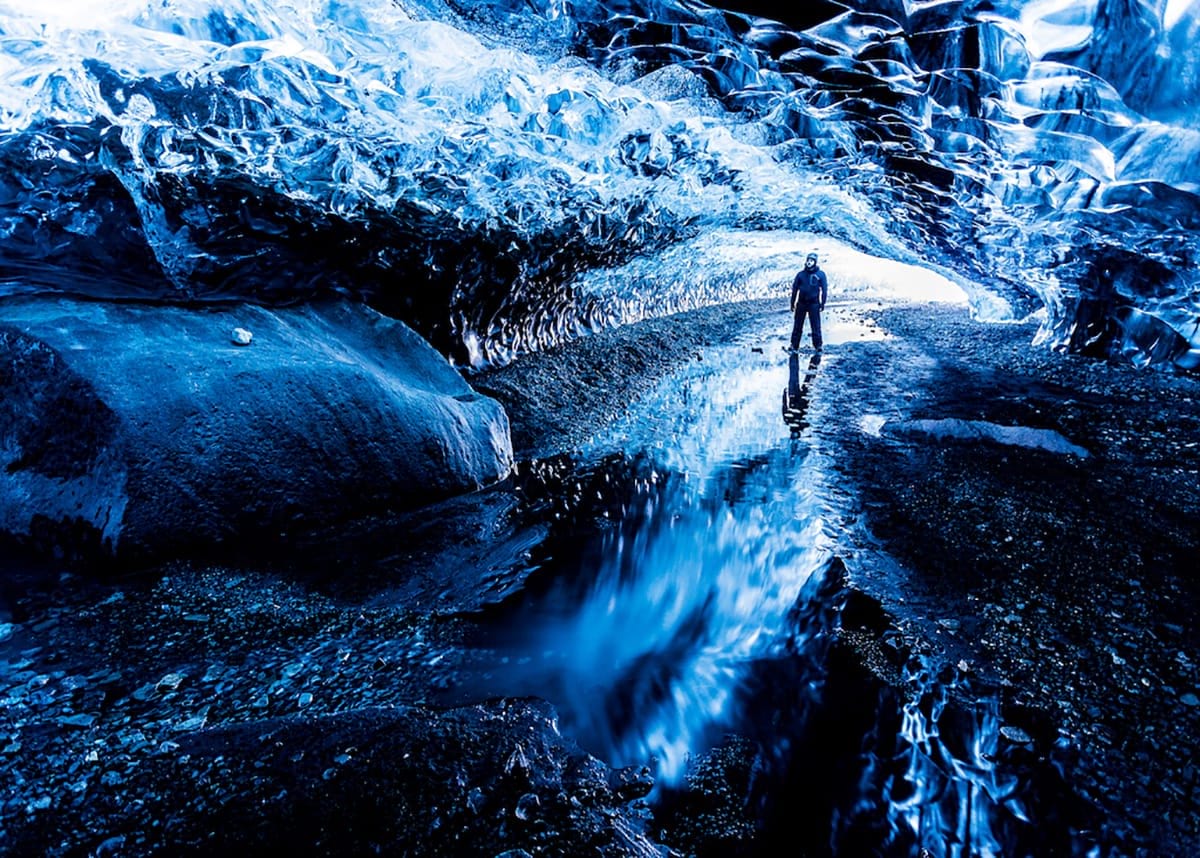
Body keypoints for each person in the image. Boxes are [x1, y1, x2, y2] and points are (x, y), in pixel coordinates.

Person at [789, 251, 827, 351]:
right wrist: (792, 303)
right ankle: (794, 345)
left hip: (814, 304)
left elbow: (824, 289)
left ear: (815, 262)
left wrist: (823, 303)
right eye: (808, 260)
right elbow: (795, 289)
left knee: (816, 326)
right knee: (797, 325)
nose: (809, 262)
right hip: (801, 303)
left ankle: (818, 346)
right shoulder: (800, 275)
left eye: (812, 260)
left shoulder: (820, 275)